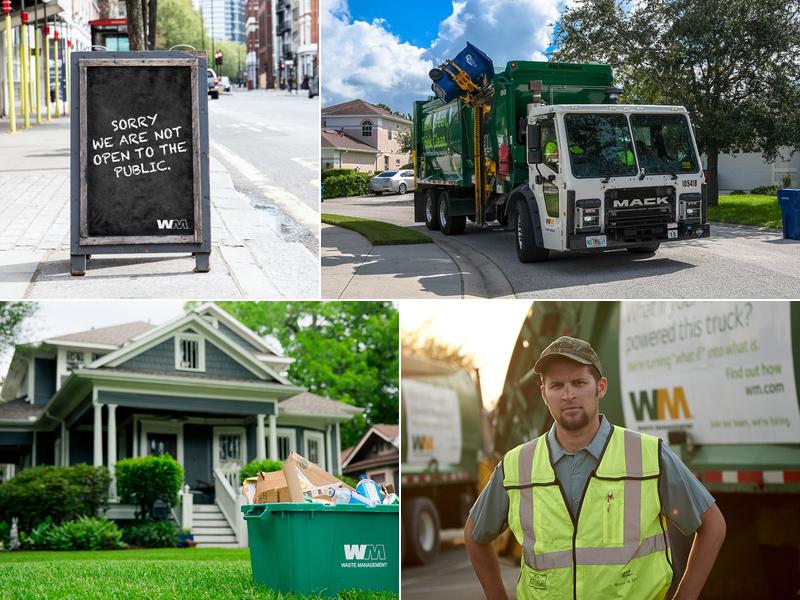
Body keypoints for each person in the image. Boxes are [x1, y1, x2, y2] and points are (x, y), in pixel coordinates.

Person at [465, 336, 726, 600]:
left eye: (579, 383)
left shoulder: (649, 455)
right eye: (557, 385)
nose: (568, 394)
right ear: (544, 394)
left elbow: (712, 525)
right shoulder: (516, 465)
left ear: (600, 388)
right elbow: (475, 535)